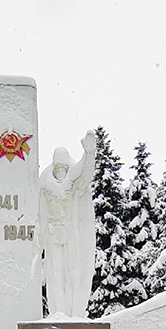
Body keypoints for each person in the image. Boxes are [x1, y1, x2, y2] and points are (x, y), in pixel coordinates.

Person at [36, 131, 97, 318]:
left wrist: (89, 153)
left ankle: (75, 312)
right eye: (58, 169)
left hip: (72, 234)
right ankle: (58, 313)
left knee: (74, 273)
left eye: (64, 168)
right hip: (54, 233)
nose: (61, 172)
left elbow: (85, 174)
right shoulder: (45, 186)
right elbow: (39, 214)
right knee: (55, 275)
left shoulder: (73, 184)